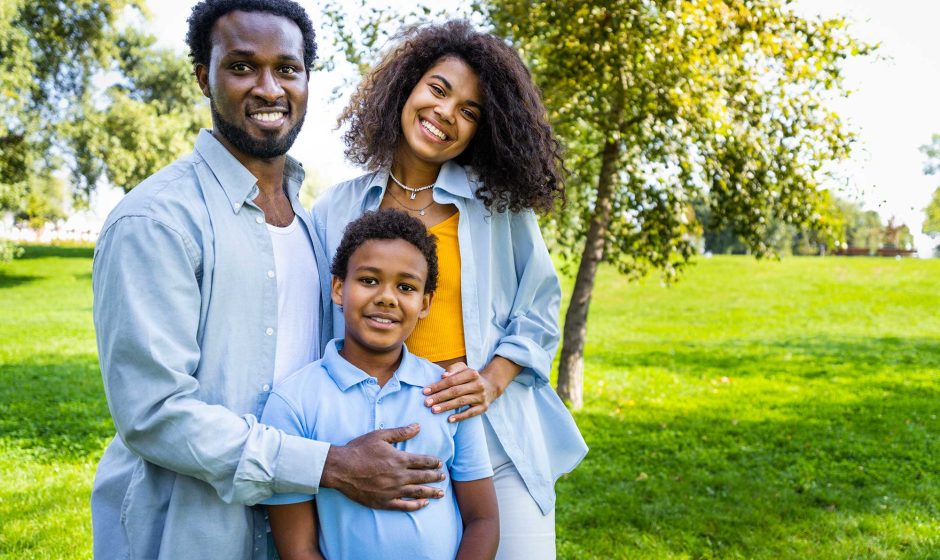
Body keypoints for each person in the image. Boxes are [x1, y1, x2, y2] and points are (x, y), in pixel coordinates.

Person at [91, 2, 444, 558]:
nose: (269, 88)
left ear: (306, 80)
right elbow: (154, 413)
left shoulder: (312, 225)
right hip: (191, 532)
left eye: (287, 69)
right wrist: (330, 465)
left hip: (298, 533)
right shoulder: (156, 220)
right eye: (241, 67)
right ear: (203, 77)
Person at [312, 21, 588, 559]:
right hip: (385, 440)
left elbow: (539, 307)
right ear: (407, 87)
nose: (445, 113)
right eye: (438, 90)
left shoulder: (497, 209)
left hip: (494, 436)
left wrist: (490, 381)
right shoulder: (337, 208)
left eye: (469, 111)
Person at [261, 209, 499, 560]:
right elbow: (298, 548)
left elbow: (483, 520)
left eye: (406, 287)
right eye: (369, 280)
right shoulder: (293, 402)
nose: (387, 297)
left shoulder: (448, 394)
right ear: (339, 288)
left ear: (425, 303)